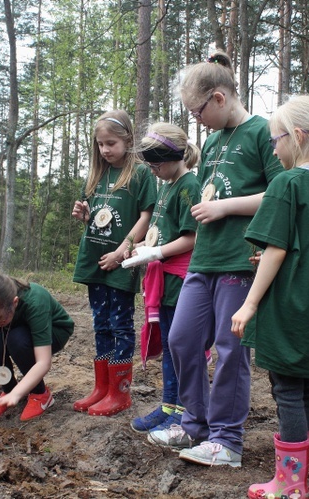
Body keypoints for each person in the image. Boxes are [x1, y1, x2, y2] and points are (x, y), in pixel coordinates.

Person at [146, 51, 283, 468]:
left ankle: (227, 439)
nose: (197, 120)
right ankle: (195, 422)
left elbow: (283, 192)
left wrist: (226, 208)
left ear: (220, 98)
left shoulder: (264, 132)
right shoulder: (213, 142)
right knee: (182, 339)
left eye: (198, 111)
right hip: (204, 258)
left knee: (229, 348)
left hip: (240, 261)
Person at [230, 95, 309, 498]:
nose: (272, 147)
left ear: (296, 137)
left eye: (275, 140)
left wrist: (249, 303)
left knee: (287, 391)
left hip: (288, 308)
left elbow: (277, 249)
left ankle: (290, 483)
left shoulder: (287, 182)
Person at [70, 110, 156, 417]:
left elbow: (146, 217)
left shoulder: (140, 175)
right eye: (100, 144)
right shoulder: (97, 174)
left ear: (128, 140)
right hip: (95, 259)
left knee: (120, 324)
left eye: (111, 143)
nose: (105, 149)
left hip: (121, 263)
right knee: (100, 323)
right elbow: (98, 220)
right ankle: (102, 387)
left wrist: (122, 251)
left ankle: (120, 392)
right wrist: (84, 217)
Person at [121, 123, 201, 434]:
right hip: (162, 278)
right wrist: (142, 247)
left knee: (181, 346)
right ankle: (169, 405)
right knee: (168, 344)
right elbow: (162, 232)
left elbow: (192, 237)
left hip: (181, 279)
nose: (154, 171)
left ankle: (184, 410)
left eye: (156, 164)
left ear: (173, 157)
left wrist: (155, 254)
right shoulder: (165, 184)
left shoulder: (189, 186)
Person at [0, 272, 74, 421]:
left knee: (17, 341)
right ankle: (7, 390)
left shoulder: (35, 301)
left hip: (55, 331)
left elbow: (44, 362)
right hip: (20, 330)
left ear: (14, 302)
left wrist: (17, 393)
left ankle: (40, 395)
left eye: (0, 318)